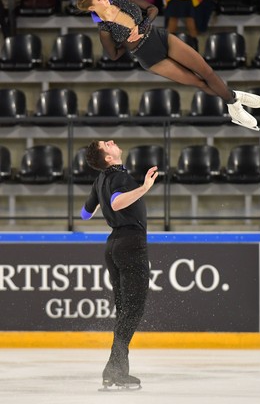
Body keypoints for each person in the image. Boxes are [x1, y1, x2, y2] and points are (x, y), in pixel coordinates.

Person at [76, 0, 260, 130]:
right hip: (150, 58)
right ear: (91, 8)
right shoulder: (104, 30)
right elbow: (114, 55)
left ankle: (233, 101)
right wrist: (127, 40)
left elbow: (152, 8)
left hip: (161, 38)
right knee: (197, 82)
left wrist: (141, 27)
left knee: (206, 71)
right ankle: (236, 105)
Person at [80, 139, 158, 390]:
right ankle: (114, 369)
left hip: (113, 245)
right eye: (107, 144)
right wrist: (144, 187)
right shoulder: (120, 177)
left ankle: (115, 370)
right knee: (132, 310)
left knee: (124, 309)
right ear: (108, 159)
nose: (112, 142)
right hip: (131, 244)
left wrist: (102, 200)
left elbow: (85, 213)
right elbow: (116, 203)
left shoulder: (100, 179)